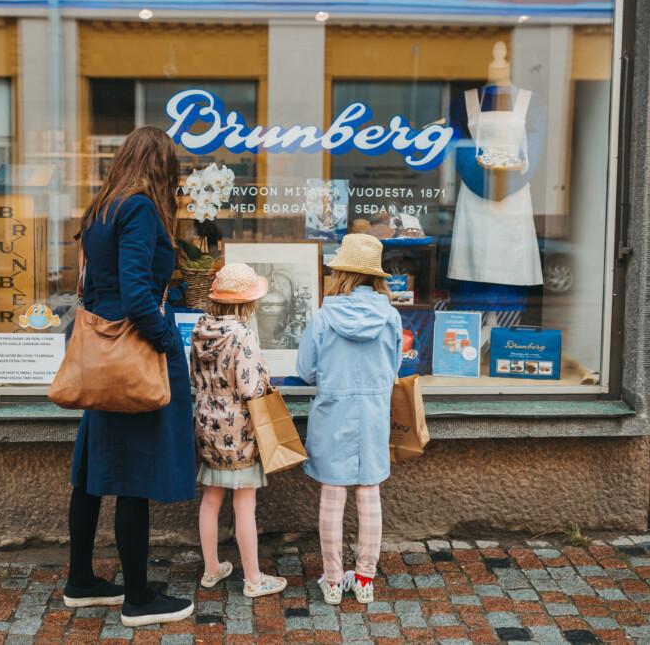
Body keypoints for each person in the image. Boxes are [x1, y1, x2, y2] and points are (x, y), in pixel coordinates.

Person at [64, 127, 196, 627]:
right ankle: (138, 599)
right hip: (133, 354)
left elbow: (99, 285)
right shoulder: (140, 207)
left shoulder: (103, 207)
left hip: (103, 354)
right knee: (132, 477)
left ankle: (81, 581)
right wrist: (167, 343)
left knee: (94, 473)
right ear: (162, 166)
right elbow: (139, 291)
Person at [295, 234, 402, 605]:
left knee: (333, 493)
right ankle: (366, 578)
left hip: (333, 410)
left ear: (340, 272)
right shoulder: (390, 316)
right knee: (369, 491)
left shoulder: (326, 315)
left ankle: (333, 578)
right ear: (376, 276)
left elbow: (305, 370)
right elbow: (393, 369)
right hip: (373, 413)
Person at [191, 263, 288, 599]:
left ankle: (211, 568)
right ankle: (254, 578)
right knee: (245, 504)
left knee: (211, 497)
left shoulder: (201, 328)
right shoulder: (242, 334)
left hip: (206, 423)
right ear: (246, 302)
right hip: (239, 429)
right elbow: (249, 388)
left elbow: (194, 378)